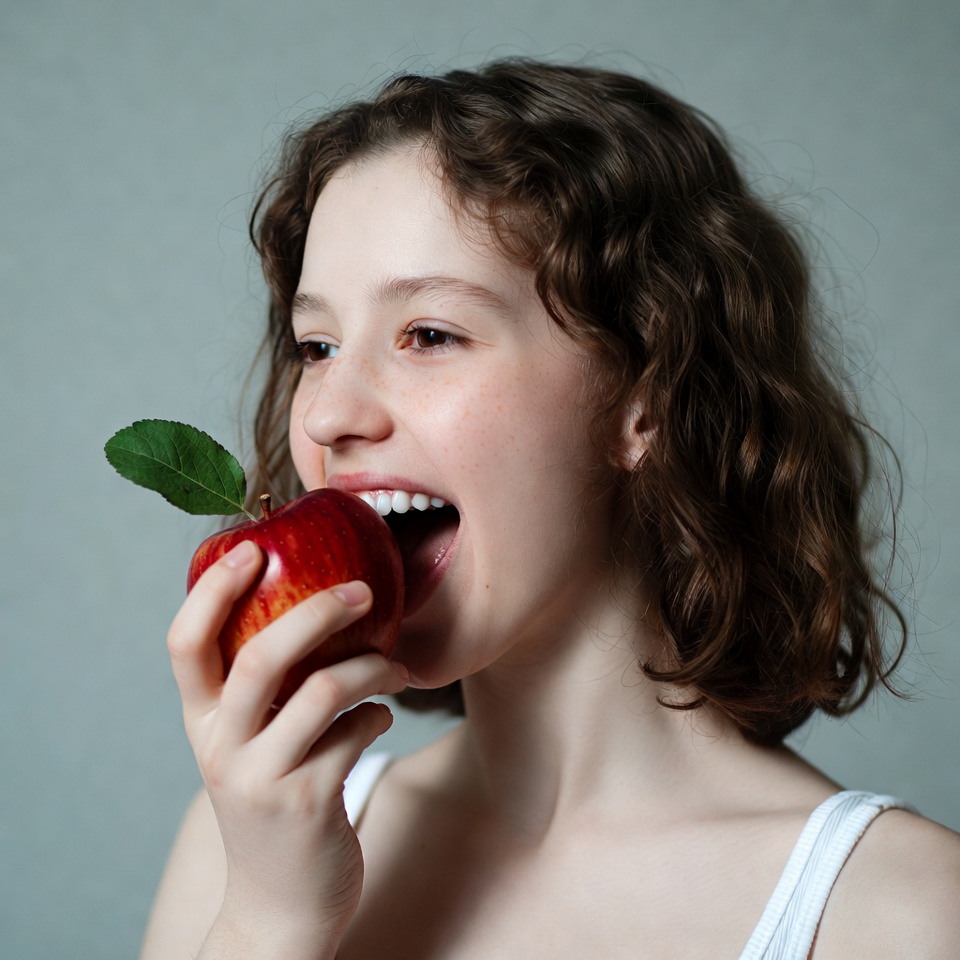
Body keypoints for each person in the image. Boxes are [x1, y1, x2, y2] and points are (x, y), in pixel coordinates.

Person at [140, 60, 960, 959]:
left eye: (429, 334)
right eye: (319, 344)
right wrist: (268, 925)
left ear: (646, 395)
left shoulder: (902, 914)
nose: (329, 415)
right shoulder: (247, 856)